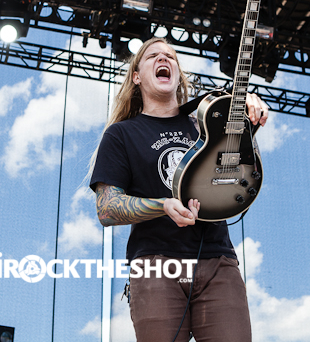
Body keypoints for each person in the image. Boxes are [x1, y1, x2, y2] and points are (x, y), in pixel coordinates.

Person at [89, 37, 269, 342]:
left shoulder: (207, 124)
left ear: (178, 75)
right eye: (153, 56)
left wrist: (247, 119)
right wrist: (163, 205)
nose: (163, 59)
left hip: (218, 262)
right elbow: (107, 208)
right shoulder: (121, 134)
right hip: (156, 264)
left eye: (170, 56)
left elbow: (239, 181)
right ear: (137, 77)